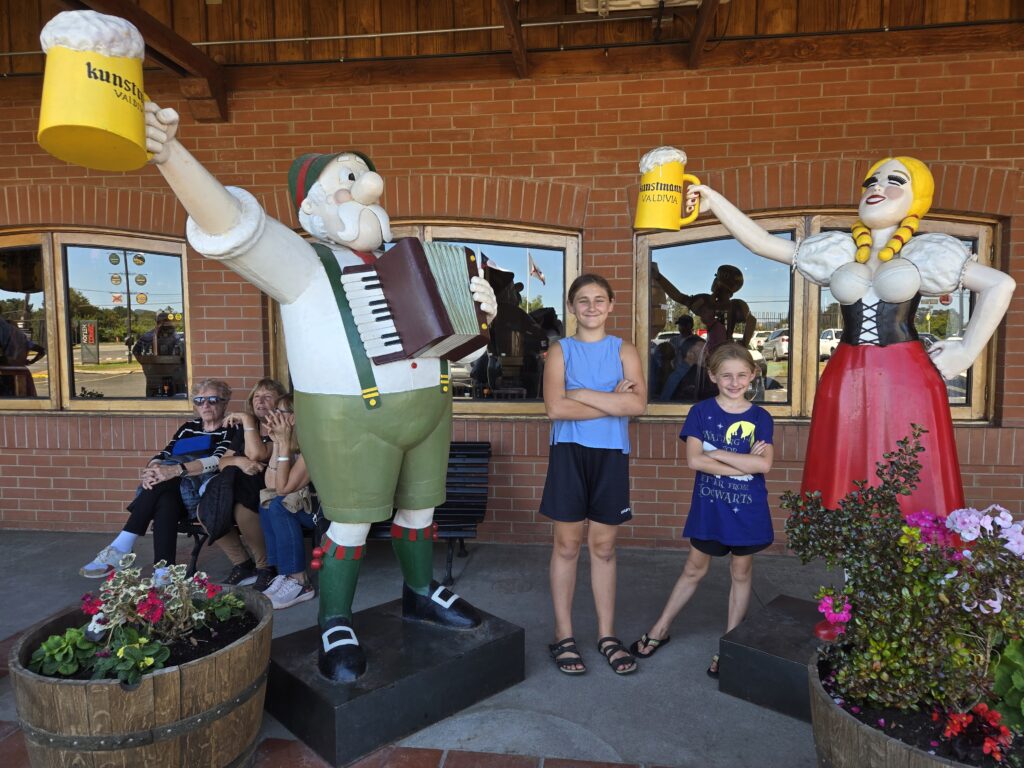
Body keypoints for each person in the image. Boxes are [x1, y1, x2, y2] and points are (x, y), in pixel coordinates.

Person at [143, 101, 498, 682]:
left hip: (431, 408)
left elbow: (462, 351)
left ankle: (419, 590)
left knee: (420, 511)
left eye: (367, 177)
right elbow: (232, 226)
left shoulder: (411, 259)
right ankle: (335, 618)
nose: (368, 188)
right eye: (348, 180)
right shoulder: (304, 263)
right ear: (310, 207)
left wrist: (481, 324)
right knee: (350, 524)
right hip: (350, 417)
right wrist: (172, 155)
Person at [686, 157, 1016, 515]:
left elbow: (1000, 284)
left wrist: (966, 350)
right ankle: (841, 541)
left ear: (917, 197)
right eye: (872, 181)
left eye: (895, 181)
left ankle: (915, 539)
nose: (878, 187)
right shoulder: (840, 251)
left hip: (908, 373)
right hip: (847, 370)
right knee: (845, 456)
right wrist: (714, 201)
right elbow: (763, 244)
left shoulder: (925, 252)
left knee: (910, 458)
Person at [631, 343, 774, 677]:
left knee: (741, 573)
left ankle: (729, 643)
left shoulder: (760, 417)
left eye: (741, 375)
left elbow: (763, 465)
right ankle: (661, 628)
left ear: (753, 375)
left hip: (747, 511)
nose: (734, 382)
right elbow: (695, 461)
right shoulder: (700, 412)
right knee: (694, 569)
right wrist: (743, 463)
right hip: (710, 509)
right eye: (726, 376)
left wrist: (717, 453)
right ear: (712, 376)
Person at [540, 274, 645, 676]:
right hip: (569, 453)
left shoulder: (624, 350)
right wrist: (612, 401)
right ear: (571, 307)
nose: (591, 307)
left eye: (599, 299)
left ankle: (606, 635)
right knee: (567, 545)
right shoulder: (560, 351)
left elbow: (638, 405)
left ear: (611, 305)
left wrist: (580, 393)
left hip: (611, 455)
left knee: (603, 548)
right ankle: (563, 634)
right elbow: (555, 409)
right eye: (582, 300)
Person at [80, 379, 234, 577]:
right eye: (199, 400)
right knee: (165, 500)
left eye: (212, 400)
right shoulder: (188, 428)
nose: (205, 405)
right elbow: (163, 455)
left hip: (201, 494)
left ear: (225, 402)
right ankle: (164, 573)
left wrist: (176, 470)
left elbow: (217, 460)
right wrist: (152, 471)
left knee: (163, 487)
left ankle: (122, 546)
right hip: (171, 489)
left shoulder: (231, 428)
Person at [211, 378, 287, 590]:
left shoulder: (281, 426)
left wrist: (246, 420)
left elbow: (257, 454)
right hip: (240, 488)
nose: (260, 401)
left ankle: (265, 566)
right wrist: (239, 461)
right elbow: (222, 462)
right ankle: (242, 564)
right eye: (256, 396)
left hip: (270, 485)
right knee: (209, 507)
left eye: (267, 396)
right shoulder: (244, 429)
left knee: (242, 508)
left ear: (279, 402)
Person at [259, 395, 317, 609]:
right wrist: (277, 444)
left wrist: (283, 443)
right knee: (267, 502)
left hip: (327, 510)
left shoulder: (311, 441)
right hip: (308, 504)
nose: (272, 416)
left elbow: (283, 489)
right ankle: (284, 573)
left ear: (293, 417)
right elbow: (272, 485)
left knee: (279, 506)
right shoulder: (290, 441)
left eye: (279, 412)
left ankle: (300, 581)